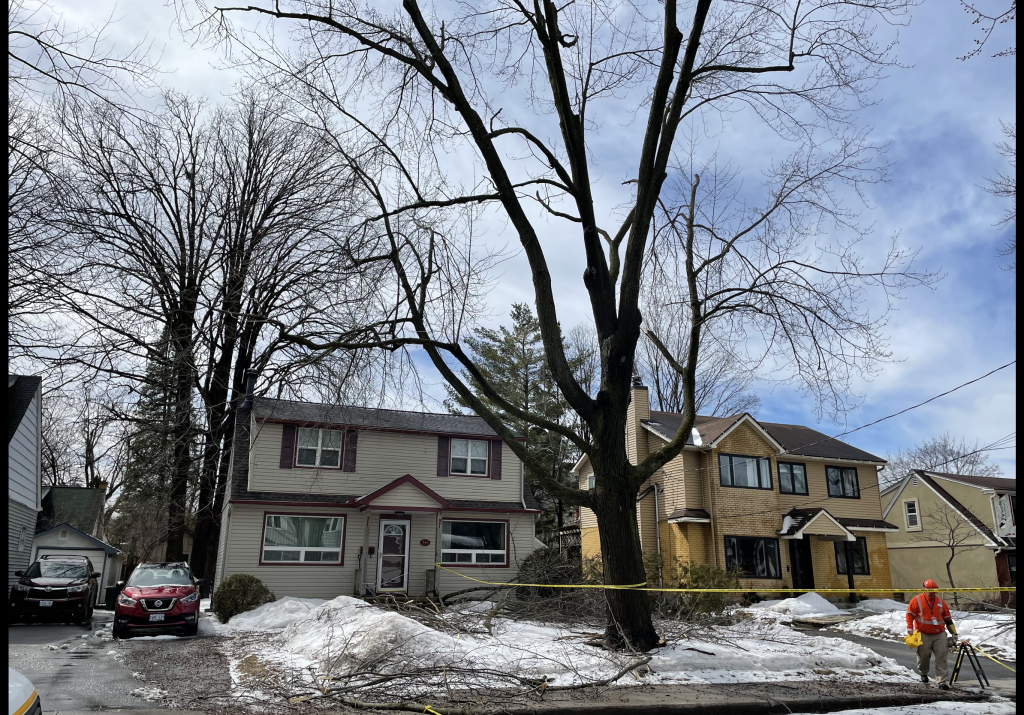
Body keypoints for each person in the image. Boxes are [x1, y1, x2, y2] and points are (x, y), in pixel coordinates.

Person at [906, 579, 959, 690]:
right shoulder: (917, 600)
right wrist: (910, 627)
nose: (931, 593)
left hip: (939, 634)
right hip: (923, 633)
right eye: (929, 591)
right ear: (924, 590)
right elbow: (910, 614)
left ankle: (941, 681)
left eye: (933, 591)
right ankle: (923, 673)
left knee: (942, 656)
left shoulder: (940, 602)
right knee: (924, 656)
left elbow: (948, 619)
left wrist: (954, 632)